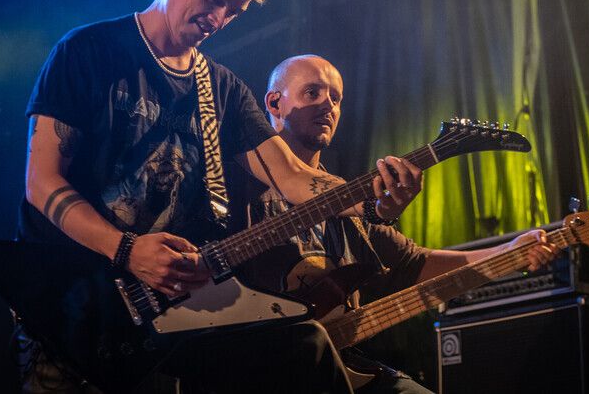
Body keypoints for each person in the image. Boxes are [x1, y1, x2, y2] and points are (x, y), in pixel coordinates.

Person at [18, 0, 422, 394]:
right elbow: (42, 183)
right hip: (75, 304)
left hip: (166, 315)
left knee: (302, 347)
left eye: (234, 11)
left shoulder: (223, 91)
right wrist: (126, 249)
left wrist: (373, 198)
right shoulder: (88, 52)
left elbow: (292, 179)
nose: (218, 20)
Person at [225, 54, 560, 394]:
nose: (328, 104)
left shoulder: (348, 202)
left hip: (335, 370)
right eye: (312, 92)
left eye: (336, 97)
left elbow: (415, 264)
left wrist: (510, 252)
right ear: (274, 102)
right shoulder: (234, 182)